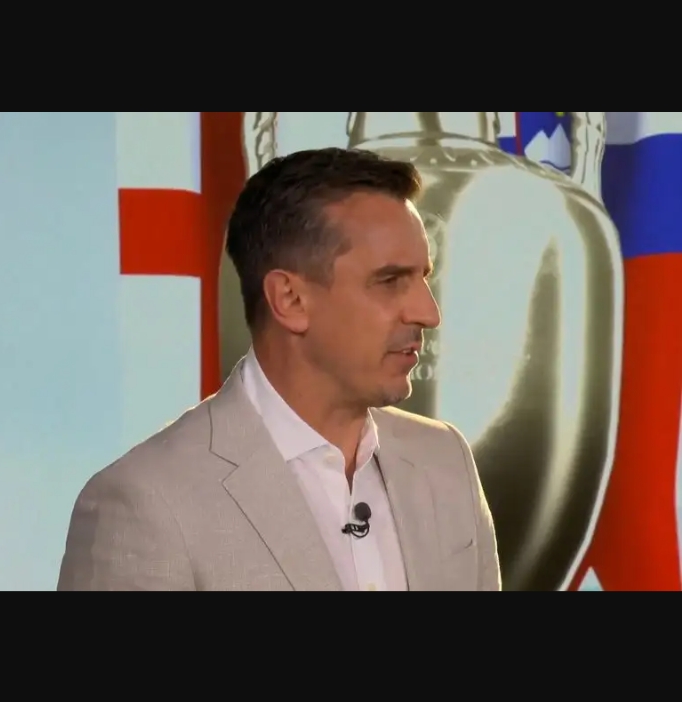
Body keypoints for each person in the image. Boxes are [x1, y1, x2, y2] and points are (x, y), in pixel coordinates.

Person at [58, 148, 500, 592]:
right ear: (290, 299)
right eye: (390, 281)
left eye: (424, 278)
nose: (428, 313)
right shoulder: (145, 505)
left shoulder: (445, 458)